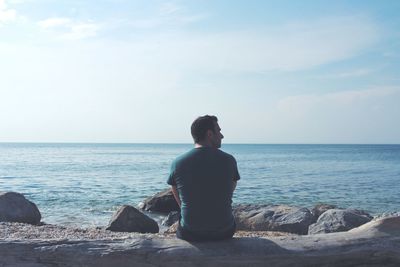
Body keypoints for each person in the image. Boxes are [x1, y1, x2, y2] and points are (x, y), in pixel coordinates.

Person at [167, 115, 240, 241]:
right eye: (219, 131)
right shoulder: (229, 160)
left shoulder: (178, 163)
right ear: (210, 134)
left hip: (191, 232)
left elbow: (175, 190)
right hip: (224, 231)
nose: (222, 136)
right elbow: (230, 190)